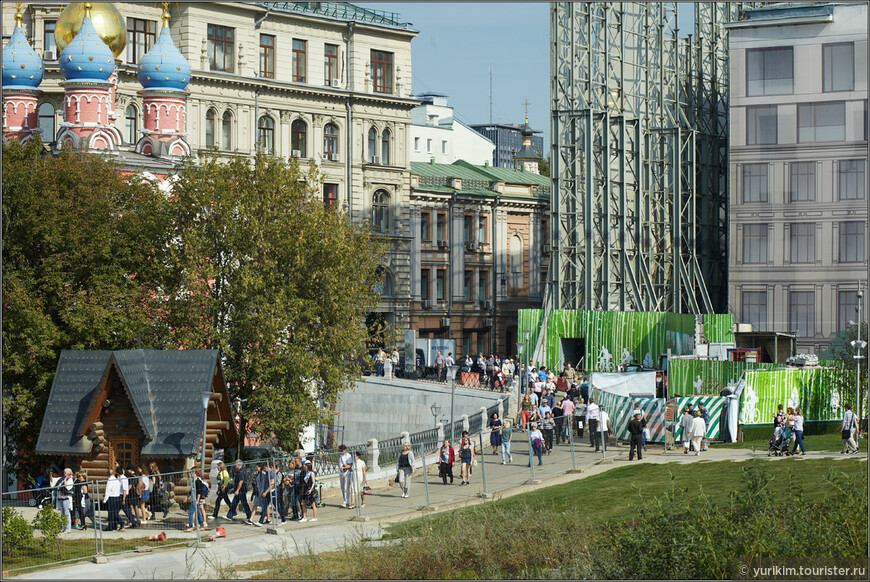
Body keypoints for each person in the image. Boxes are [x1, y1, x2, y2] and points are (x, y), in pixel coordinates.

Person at [226, 459, 252, 523]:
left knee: (244, 503)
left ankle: (249, 516)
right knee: (234, 502)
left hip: (241, 490)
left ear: (239, 465)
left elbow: (241, 481)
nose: (235, 466)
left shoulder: (241, 471)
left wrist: (237, 490)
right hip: (240, 489)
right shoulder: (239, 471)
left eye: (235, 464)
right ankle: (229, 516)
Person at [119, 464, 139, 528]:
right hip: (133, 492)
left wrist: (125, 490)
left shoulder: (132, 476)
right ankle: (134, 519)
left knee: (132, 506)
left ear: (130, 470)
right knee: (134, 506)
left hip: (131, 492)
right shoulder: (136, 475)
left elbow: (130, 485)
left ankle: (134, 519)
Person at [57, 468, 74, 533]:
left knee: (66, 513)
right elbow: (58, 486)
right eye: (63, 472)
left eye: (65, 473)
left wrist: (64, 480)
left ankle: (68, 528)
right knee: (62, 513)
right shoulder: (61, 479)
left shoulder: (70, 480)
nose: (64, 474)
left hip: (66, 498)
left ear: (68, 473)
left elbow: (67, 487)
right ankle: (63, 527)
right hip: (60, 497)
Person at [255, 462, 272, 526]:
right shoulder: (260, 474)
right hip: (263, 492)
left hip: (265, 492)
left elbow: (264, 484)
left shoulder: (264, 474)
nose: (256, 468)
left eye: (257, 467)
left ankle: (261, 521)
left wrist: (262, 492)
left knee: (265, 506)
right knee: (265, 506)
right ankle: (266, 519)